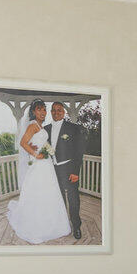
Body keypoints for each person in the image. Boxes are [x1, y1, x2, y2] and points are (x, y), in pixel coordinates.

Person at [5, 99, 71, 243]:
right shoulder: (33, 125)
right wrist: (36, 154)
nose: (42, 112)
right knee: (39, 192)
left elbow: (38, 142)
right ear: (34, 112)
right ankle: (38, 226)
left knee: (48, 193)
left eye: (44, 110)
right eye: (39, 109)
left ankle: (51, 224)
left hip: (46, 165)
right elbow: (23, 142)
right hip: (39, 164)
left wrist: (47, 150)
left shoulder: (40, 126)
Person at [47, 100, 89, 240]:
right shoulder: (45, 129)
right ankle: (61, 224)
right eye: (54, 110)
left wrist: (76, 172)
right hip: (52, 170)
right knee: (57, 199)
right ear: (51, 112)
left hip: (69, 168)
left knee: (73, 199)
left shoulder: (73, 128)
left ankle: (76, 226)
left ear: (64, 112)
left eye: (59, 110)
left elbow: (79, 151)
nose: (56, 112)